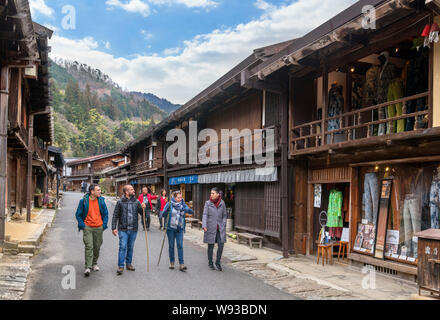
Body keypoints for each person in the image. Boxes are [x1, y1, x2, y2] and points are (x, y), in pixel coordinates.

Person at [75, 184, 109, 277]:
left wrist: (104, 225)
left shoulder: (101, 201)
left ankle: (94, 263)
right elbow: (78, 214)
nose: (100, 191)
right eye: (98, 190)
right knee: (89, 246)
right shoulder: (84, 201)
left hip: (99, 227)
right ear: (92, 191)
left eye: (100, 190)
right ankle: (88, 267)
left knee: (97, 246)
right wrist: (83, 225)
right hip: (88, 227)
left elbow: (106, 214)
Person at [112, 184, 144, 276]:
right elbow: (115, 215)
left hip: (133, 228)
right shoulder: (120, 202)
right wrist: (114, 227)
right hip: (123, 229)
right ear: (126, 192)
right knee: (123, 246)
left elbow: (142, 214)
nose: (133, 190)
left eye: (133, 189)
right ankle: (121, 266)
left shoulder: (137, 202)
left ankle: (129, 264)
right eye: (131, 189)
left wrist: (143, 208)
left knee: (130, 247)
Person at [161, 191, 193, 272]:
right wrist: (166, 210)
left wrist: (186, 209)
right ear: (174, 198)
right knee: (171, 246)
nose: (180, 199)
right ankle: (172, 262)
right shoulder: (169, 204)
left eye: (181, 197)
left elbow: (191, 211)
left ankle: (181, 264)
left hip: (180, 228)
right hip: (170, 228)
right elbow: (162, 215)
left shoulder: (183, 204)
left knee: (180, 245)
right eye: (178, 197)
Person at [202, 187, 227, 271]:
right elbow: (205, 214)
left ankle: (218, 262)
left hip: (220, 228)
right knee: (211, 245)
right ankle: (210, 262)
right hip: (210, 227)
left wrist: (223, 224)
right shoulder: (208, 203)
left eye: (213, 193)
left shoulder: (222, 203)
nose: (211, 195)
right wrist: (204, 225)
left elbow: (224, 215)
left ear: (217, 194)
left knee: (221, 245)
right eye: (211, 193)